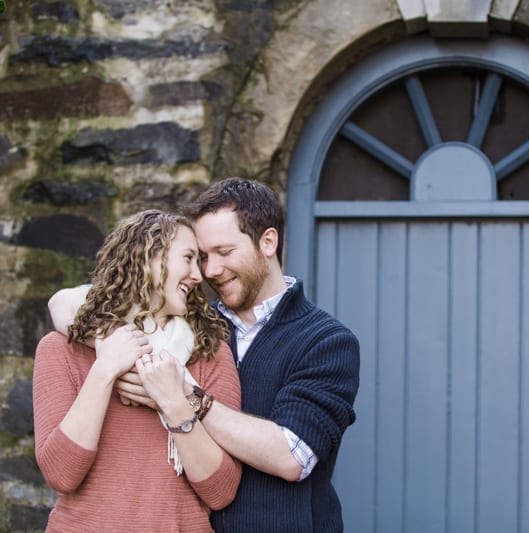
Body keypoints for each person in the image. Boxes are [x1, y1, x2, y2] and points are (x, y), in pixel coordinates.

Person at [49, 178, 360, 533]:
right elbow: (66, 303)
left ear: (268, 242)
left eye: (224, 253)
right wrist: (109, 340)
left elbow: (292, 457)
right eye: (202, 257)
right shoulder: (197, 329)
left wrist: (184, 396)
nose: (209, 272)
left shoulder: (326, 342)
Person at [36, 210, 242, 532]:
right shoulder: (62, 349)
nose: (198, 275)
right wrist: (105, 369)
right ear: (149, 258)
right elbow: (61, 474)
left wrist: (174, 401)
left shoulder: (210, 355)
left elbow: (221, 491)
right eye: (188, 258)